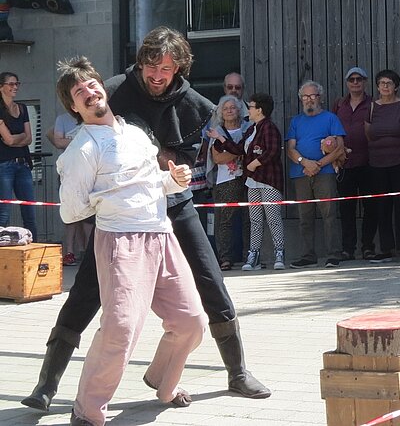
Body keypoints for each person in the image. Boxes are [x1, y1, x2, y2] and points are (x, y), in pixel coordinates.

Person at [23, 27, 270, 413]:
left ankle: (236, 372)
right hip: (118, 219)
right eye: (151, 66)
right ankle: (47, 383)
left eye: (167, 69)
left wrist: (167, 170)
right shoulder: (115, 90)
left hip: (169, 201)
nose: (158, 75)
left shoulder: (193, 103)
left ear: (178, 70)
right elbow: (94, 141)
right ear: (141, 64)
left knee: (210, 279)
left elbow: (182, 160)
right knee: (87, 290)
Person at [54, 57, 206, 426]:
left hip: (161, 235)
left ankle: (163, 382)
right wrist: (109, 197)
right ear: (74, 107)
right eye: (79, 92)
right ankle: (87, 410)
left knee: (191, 322)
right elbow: (70, 211)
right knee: (121, 328)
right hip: (120, 242)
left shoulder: (135, 133)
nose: (89, 93)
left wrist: (175, 180)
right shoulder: (82, 149)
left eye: (91, 85)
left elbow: (155, 184)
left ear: (101, 87)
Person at [213, 92, 285, 272]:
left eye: (251, 107)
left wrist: (255, 163)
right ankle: (254, 255)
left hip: (268, 180)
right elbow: (238, 148)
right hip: (251, 182)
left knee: (273, 218)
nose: (248, 110)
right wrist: (220, 138)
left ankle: (279, 253)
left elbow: (273, 151)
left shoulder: (269, 127)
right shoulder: (252, 129)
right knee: (255, 219)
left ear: (259, 110)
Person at [285, 80, 348, 269]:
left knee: (329, 214)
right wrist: (305, 162)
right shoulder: (296, 121)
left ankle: (333, 254)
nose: (309, 100)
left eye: (313, 96)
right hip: (300, 172)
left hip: (325, 172)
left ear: (319, 98)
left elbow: (340, 148)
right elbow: (290, 149)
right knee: (305, 216)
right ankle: (307, 255)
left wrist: (318, 164)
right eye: (305, 97)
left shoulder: (331, 118)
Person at [364, 69, 400, 263]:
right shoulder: (372, 108)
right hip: (378, 164)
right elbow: (369, 134)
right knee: (382, 206)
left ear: (396, 86)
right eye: (381, 83)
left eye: (389, 83)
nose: (385, 86)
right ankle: (386, 249)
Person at [332, 66, 373, 260]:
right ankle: (348, 248)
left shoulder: (373, 103)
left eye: (359, 79)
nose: (355, 82)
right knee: (346, 209)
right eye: (351, 79)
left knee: (370, 207)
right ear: (347, 83)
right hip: (345, 164)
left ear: (365, 81)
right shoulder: (339, 105)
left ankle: (368, 246)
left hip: (369, 163)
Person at [206, 95, 249, 270]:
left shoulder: (248, 129)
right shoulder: (218, 131)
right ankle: (225, 258)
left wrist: (233, 151)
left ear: (239, 110)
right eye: (226, 108)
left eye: (233, 107)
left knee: (249, 219)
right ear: (221, 113)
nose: (230, 111)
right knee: (225, 221)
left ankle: (250, 256)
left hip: (248, 179)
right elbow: (217, 158)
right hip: (225, 181)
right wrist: (240, 151)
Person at [48, 109, 90, 265]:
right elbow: (58, 141)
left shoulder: (90, 117)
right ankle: (70, 252)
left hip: (88, 171)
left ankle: (87, 251)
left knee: (88, 216)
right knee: (70, 213)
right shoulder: (62, 119)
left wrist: (69, 140)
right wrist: (81, 140)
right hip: (69, 172)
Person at [0, 71, 35, 240]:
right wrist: (19, 137)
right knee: (4, 213)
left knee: (29, 211)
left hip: (23, 164)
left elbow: (29, 138)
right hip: (4, 164)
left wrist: (17, 138)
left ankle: (34, 250)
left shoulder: (22, 108)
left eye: (17, 84)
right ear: (1, 87)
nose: (15, 87)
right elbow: (8, 140)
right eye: (11, 84)